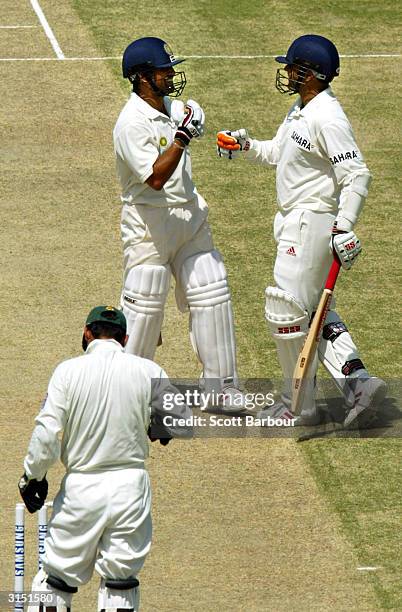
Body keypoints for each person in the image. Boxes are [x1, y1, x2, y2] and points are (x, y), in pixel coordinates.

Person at [216, 34, 387, 428]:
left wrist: (344, 228)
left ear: (309, 74)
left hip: (313, 222)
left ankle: (298, 405)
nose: (287, 73)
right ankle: (359, 382)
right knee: (311, 310)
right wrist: (245, 147)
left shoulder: (327, 117)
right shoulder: (301, 108)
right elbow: (278, 152)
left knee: (286, 310)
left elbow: (357, 173)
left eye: (292, 68)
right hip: (297, 222)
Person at [18, 305, 190, 612]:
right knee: (120, 582)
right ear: (124, 339)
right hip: (131, 490)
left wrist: (33, 477)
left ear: (87, 333)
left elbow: (46, 434)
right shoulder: (148, 370)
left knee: (55, 580)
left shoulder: (67, 371)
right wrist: (159, 427)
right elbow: (180, 418)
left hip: (82, 490)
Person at [113, 36, 245, 413]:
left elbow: (186, 120)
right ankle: (127, 389)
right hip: (148, 225)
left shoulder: (174, 108)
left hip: (189, 217)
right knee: (145, 301)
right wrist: (183, 137)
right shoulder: (129, 124)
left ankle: (220, 387)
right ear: (141, 77)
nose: (171, 75)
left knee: (211, 288)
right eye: (162, 70)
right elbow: (155, 178)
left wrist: (190, 121)